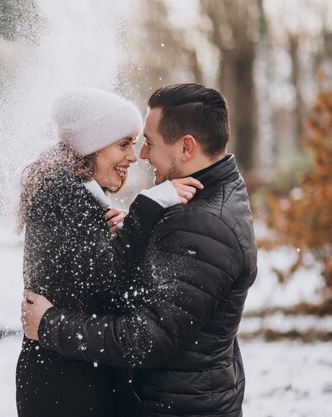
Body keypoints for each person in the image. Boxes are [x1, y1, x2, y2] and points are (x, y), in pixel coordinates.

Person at [21, 83, 257, 417]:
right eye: (127, 144)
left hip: (175, 406)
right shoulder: (198, 205)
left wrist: (48, 325)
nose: (140, 155)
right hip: (114, 394)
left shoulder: (203, 224)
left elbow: (146, 338)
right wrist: (133, 232)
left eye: (148, 142)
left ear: (186, 148)